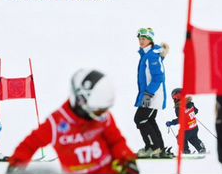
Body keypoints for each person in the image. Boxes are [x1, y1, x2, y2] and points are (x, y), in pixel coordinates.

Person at [8, 69, 139, 174]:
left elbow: (116, 141)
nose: (103, 115)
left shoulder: (103, 118)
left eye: (104, 110)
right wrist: (16, 165)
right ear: (82, 102)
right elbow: (30, 144)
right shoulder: (56, 123)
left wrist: (125, 160)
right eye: (98, 111)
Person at [134, 28, 171, 158]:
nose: (141, 41)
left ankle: (154, 148)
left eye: (143, 39)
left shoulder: (152, 55)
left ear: (150, 40)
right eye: (139, 39)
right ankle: (157, 147)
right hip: (149, 95)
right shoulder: (148, 54)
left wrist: (148, 94)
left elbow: (158, 77)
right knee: (148, 119)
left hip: (153, 96)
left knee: (141, 119)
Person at [166, 88, 206, 154]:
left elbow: (180, 119)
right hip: (194, 127)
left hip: (187, 128)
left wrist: (171, 122)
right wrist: (190, 112)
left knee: (180, 138)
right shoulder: (189, 103)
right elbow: (196, 110)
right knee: (193, 138)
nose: (174, 99)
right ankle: (201, 148)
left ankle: (186, 151)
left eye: (174, 97)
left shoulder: (180, 106)